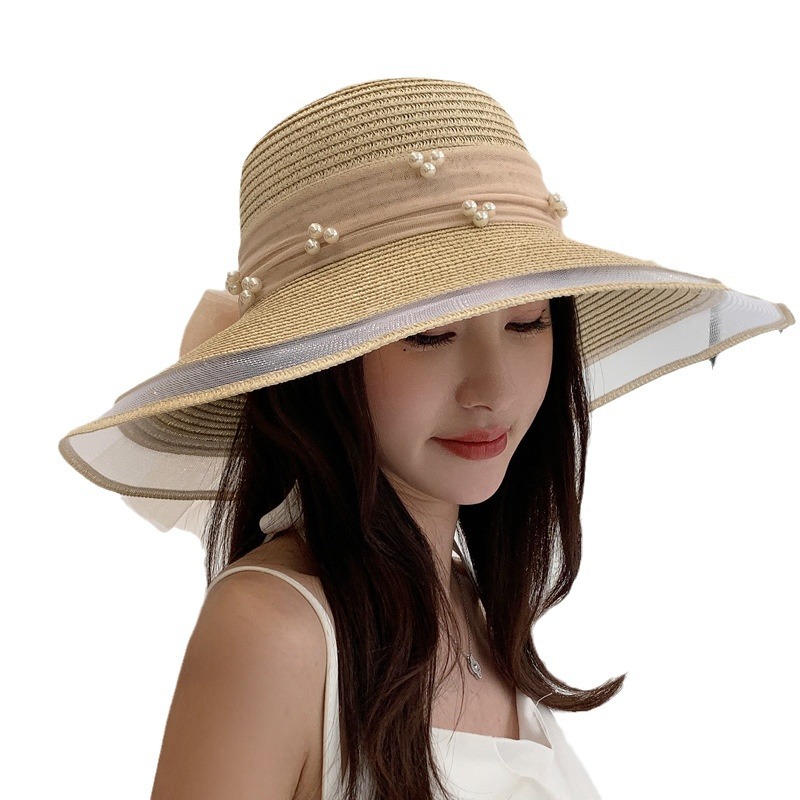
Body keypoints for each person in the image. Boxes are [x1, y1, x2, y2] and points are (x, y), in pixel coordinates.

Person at [58, 77, 793, 800]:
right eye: (431, 334)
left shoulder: (467, 601)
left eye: (527, 322)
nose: (493, 390)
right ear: (318, 366)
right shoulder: (273, 632)